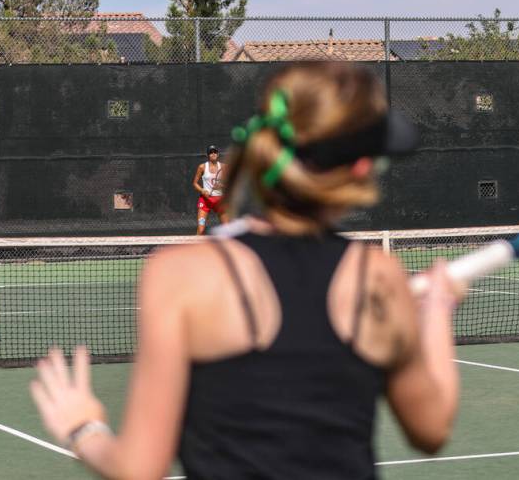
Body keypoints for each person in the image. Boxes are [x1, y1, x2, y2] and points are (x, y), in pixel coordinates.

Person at [30, 62, 464, 479]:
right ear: (362, 167)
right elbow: (432, 429)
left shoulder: (178, 275)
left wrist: (83, 428)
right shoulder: (379, 277)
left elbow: (140, 468)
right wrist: (438, 312)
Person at [191, 145, 226, 235]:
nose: (213, 154)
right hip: (205, 200)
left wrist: (221, 186)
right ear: (208, 155)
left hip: (220, 201)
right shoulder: (202, 167)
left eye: (215, 152)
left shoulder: (224, 167)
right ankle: (197, 249)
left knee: (227, 228)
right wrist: (202, 190)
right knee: (201, 230)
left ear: (218, 154)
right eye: (211, 152)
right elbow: (194, 183)